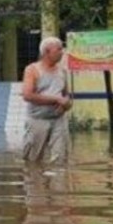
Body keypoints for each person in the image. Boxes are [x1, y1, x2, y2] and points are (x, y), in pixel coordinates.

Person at [22, 36, 72, 165]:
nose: (62, 52)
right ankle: (36, 184)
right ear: (47, 52)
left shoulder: (62, 72)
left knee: (60, 159)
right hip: (37, 120)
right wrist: (55, 99)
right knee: (33, 160)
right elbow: (27, 95)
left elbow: (66, 96)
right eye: (59, 49)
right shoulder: (32, 70)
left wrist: (66, 105)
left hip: (58, 120)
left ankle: (58, 184)